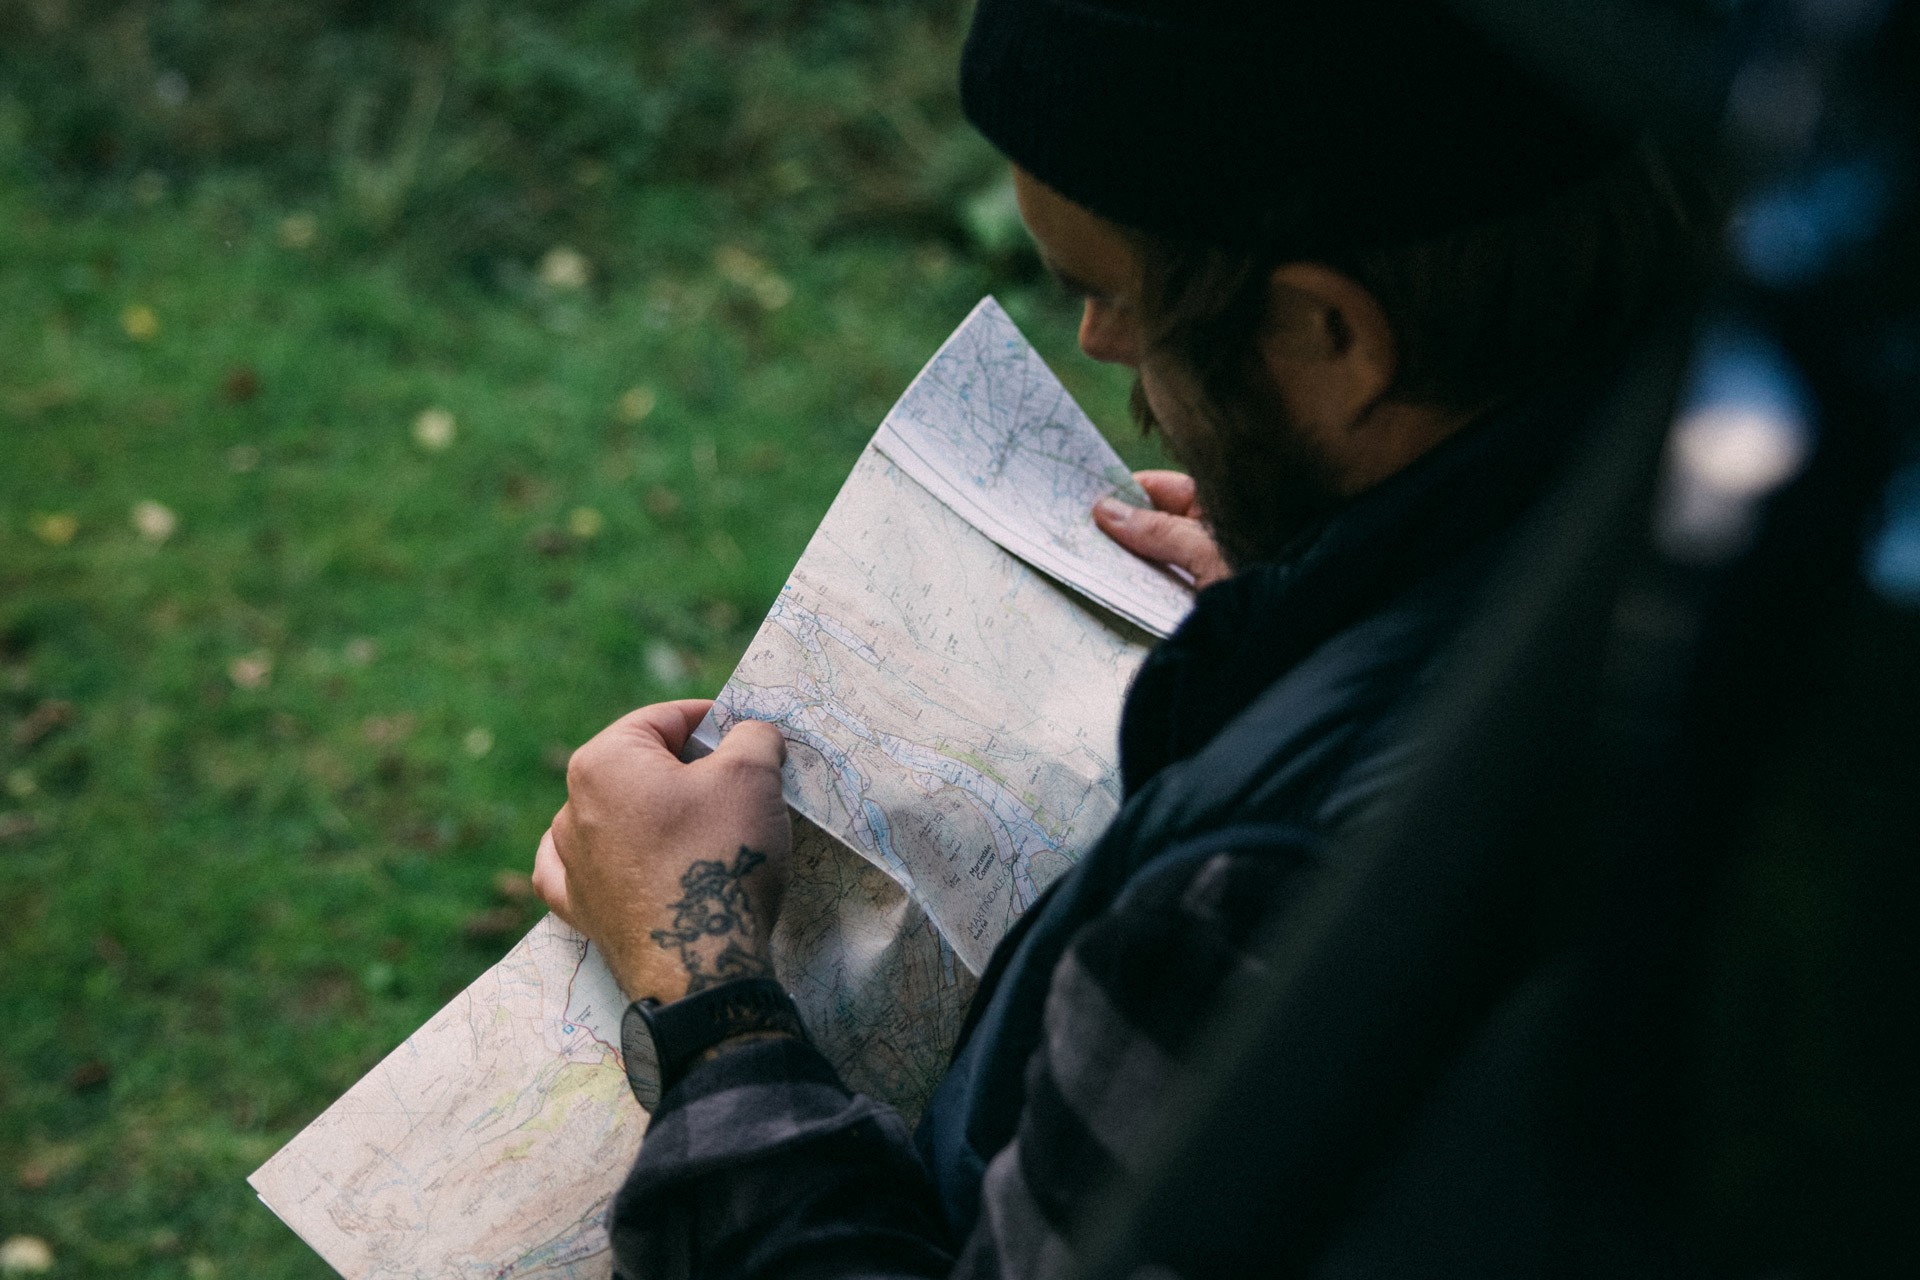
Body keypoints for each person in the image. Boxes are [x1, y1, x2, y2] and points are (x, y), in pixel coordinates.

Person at [530, 0, 1711, 1274]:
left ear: (1332, 334)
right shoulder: (1707, 550)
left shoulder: (1280, 891)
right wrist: (1317, 602)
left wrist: (705, 988)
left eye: (1113, 292)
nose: (1099, 342)